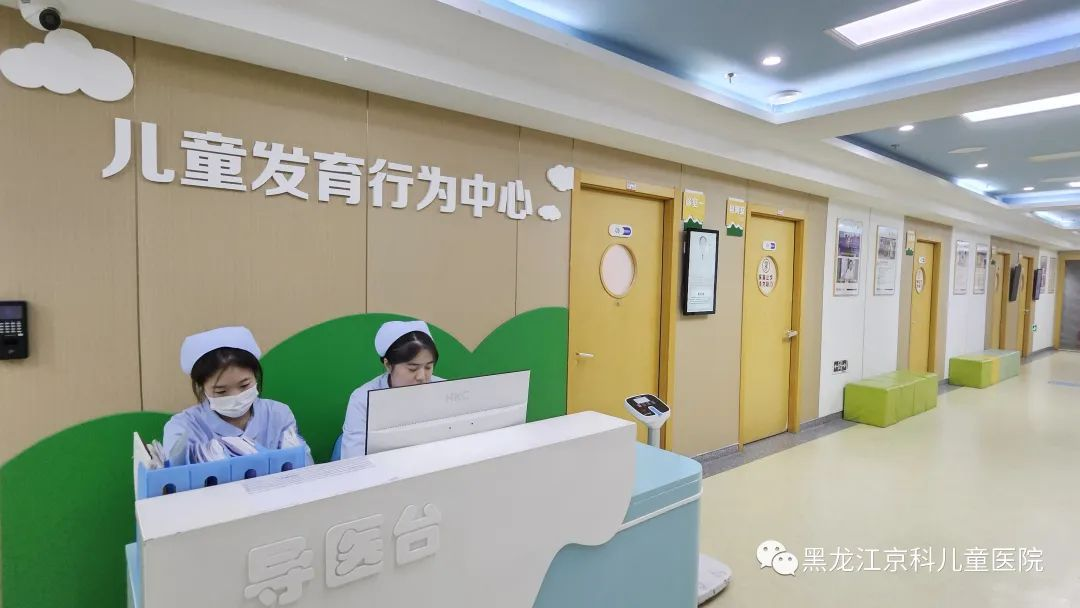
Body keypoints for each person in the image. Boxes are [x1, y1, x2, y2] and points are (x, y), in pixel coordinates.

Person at [163, 326, 310, 465]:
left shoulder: (278, 414)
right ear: (202, 387)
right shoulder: (183, 427)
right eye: (221, 391)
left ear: (255, 376)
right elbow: (176, 475)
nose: (236, 396)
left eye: (244, 385)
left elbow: (306, 467)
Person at [341, 320, 442, 459]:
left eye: (428, 367)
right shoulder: (363, 400)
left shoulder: (444, 390)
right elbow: (353, 460)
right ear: (388, 365)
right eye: (412, 369)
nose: (422, 377)